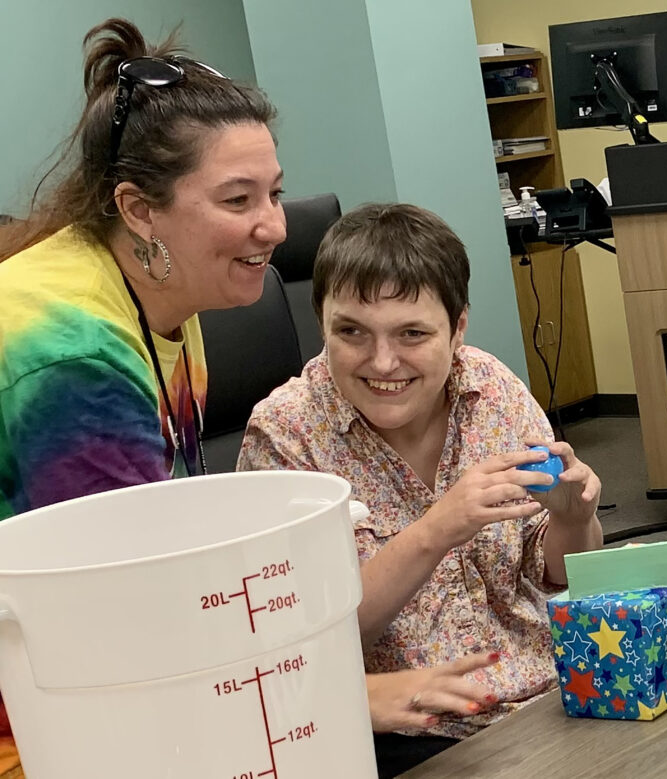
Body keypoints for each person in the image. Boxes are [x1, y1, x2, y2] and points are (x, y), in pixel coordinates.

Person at [0, 18, 288, 777]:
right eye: (238, 198)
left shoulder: (161, 290)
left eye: (276, 192)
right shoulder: (73, 351)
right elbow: (128, 614)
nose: (272, 225)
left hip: (52, 694)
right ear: (140, 209)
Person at [238, 202, 604, 777]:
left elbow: (561, 578)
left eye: (412, 334)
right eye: (352, 332)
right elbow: (303, 636)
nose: (383, 362)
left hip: (552, 694)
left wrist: (574, 520)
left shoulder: (490, 387)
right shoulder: (286, 436)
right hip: (412, 734)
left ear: (457, 328)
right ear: (321, 324)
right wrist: (438, 529)